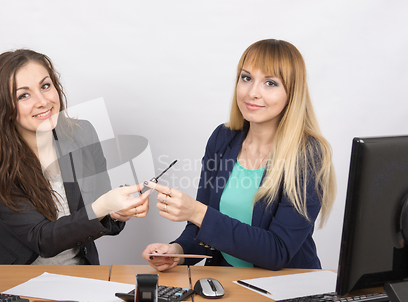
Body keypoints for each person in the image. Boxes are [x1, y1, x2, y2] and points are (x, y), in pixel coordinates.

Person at [142, 39, 336, 271]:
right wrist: (178, 251)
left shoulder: (309, 154)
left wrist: (197, 212)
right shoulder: (223, 138)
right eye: (246, 78)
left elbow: (278, 252)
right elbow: (201, 229)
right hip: (228, 281)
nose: (252, 92)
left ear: (292, 94)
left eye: (270, 83)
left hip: (287, 287)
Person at [0, 49, 151, 265]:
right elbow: (41, 239)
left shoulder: (83, 134)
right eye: (24, 95)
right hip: (14, 280)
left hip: (79, 274)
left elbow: (101, 212)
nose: (43, 101)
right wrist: (102, 207)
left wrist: (117, 212)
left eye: (45, 86)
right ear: (4, 107)